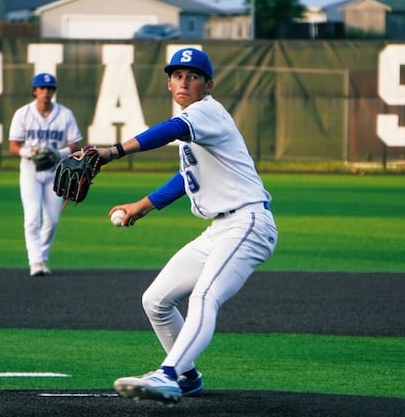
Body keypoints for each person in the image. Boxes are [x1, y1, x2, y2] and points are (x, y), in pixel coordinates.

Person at [93, 47, 278, 403]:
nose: (184, 81)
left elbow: (171, 130)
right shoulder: (197, 123)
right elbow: (185, 177)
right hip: (220, 228)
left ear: (208, 84)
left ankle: (167, 373)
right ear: (168, 83)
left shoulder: (207, 112)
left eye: (193, 76)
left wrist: (113, 152)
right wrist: (142, 206)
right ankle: (188, 376)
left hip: (248, 223)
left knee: (204, 296)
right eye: (178, 75)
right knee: (156, 300)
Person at [9, 73, 83, 276]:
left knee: (52, 220)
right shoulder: (23, 114)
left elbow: (74, 144)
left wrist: (58, 153)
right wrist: (29, 152)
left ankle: (41, 257)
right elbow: (14, 146)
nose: (46, 92)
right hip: (30, 170)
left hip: (55, 172)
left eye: (50, 89)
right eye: (42, 88)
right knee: (32, 217)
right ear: (35, 91)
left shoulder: (65, 114)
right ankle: (35, 262)